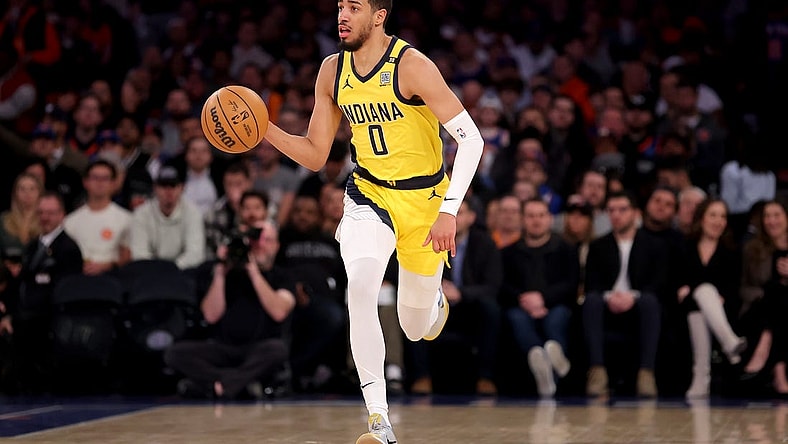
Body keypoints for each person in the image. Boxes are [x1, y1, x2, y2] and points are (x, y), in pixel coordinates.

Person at [263, 1, 483, 442]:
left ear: (379, 16)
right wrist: (264, 129)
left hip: (424, 202)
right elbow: (315, 154)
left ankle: (433, 301)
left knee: (414, 328)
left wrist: (448, 211)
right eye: (340, 6)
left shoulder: (412, 66)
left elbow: (472, 140)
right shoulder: (331, 70)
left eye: (354, 7)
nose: (342, 15)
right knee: (361, 288)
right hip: (369, 193)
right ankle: (379, 420)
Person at [164, 220, 294, 400]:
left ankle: (220, 385)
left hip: (258, 349)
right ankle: (240, 383)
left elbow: (279, 312)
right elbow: (210, 316)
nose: (261, 245)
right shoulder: (226, 273)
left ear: (277, 246)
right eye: (256, 240)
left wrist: (254, 272)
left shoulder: (283, 276)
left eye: (268, 240)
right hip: (221, 349)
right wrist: (220, 273)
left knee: (277, 350)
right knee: (175, 354)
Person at [678, 198, 746, 398]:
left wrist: (716, 297)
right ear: (701, 218)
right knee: (703, 293)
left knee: (704, 298)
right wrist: (697, 291)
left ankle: (701, 378)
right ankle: (729, 342)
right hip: (687, 308)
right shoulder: (685, 246)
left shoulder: (731, 251)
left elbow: (733, 288)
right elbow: (678, 282)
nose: (718, 221)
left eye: (723, 216)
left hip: (721, 310)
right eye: (713, 215)